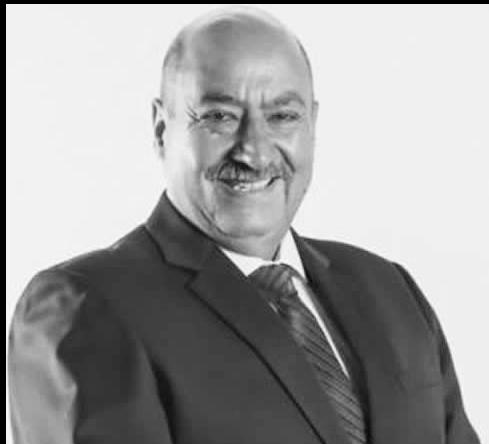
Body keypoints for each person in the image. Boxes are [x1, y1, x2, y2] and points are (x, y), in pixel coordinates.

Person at [8, 7, 480, 444]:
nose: (253, 151)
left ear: (311, 124)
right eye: (220, 116)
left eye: (282, 116)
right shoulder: (86, 306)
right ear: (161, 129)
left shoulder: (390, 289)